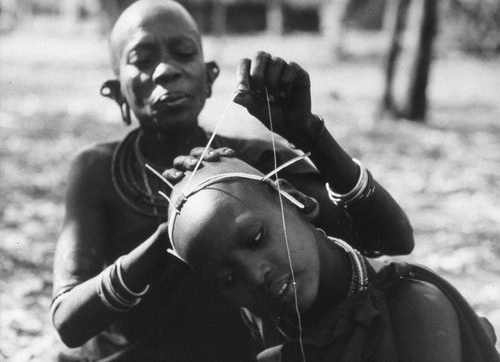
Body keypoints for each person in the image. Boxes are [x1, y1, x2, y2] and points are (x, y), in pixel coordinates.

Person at [51, 0, 414, 361]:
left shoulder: (253, 167)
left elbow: (392, 239)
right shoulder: (98, 170)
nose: (165, 71)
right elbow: (68, 321)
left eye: (182, 52)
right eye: (142, 60)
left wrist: (311, 136)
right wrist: (168, 239)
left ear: (209, 78)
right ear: (117, 92)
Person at [164, 154, 499, 362]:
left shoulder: (413, 309)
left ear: (293, 198)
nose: (254, 275)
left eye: (256, 238)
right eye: (227, 279)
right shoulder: (268, 315)